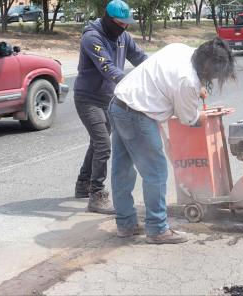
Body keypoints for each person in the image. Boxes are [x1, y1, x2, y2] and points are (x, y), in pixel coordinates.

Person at [108, 37, 236, 244]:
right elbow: (189, 118)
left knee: (122, 170)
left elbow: (174, 82)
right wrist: (204, 115)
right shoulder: (188, 81)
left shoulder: (181, 49)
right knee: (156, 172)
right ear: (208, 67)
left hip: (118, 104)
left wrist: (197, 89)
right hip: (138, 115)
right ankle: (157, 229)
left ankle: (125, 224)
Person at [73, 0, 147, 214]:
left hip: (108, 98)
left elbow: (140, 58)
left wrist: (156, 73)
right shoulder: (92, 37)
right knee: (103, 145)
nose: (124, 27)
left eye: (127, 24)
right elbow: (108, 68)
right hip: (87, 99)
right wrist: (131, 85)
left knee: (97, 144)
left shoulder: (123, 36)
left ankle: (82, 185)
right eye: (120, 23)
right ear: (109, 19)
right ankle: (97, 195)